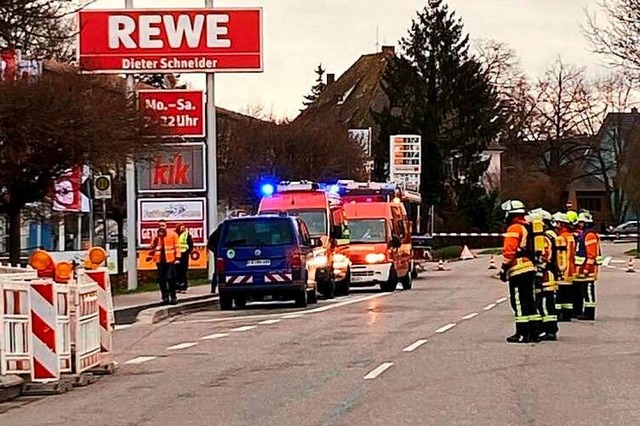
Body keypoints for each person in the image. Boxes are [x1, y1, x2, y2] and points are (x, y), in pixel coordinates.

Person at [500, 200, 538, 344]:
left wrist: (504, 268)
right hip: (529, 268)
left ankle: (522, 333)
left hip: (518, 269)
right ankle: (534, 332)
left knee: (519, 302)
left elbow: (509, 251)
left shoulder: (514, 228)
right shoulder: (528, 227)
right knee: (529, 301)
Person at [530, 208, 560, 341]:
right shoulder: (544, 237)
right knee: (542, 303)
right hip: (545, 275)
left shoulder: (544, 239)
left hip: (545, 276)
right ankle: (545, 328)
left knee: (544, 304)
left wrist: (538, 272)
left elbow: (545, 257)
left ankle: (550, 330)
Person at [574, 211, 601, 320]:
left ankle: (589, 313)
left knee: (589, 291)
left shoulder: (589, 235)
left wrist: (586, 269)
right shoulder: (584, 234)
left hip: (588, 270)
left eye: (581, 222)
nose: (579, 224)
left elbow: (592, 254)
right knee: (585, 291)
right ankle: (586, 311)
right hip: (583, 268)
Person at [149, 220, 181, 305]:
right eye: (159, 225)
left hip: (170, 260)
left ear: (166, 226)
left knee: (171, 279)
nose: (161, 227)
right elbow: (152, 246)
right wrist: (156, 239)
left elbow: (177, 247)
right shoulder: (156, 236)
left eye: (163, 225)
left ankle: (173, 297)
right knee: (161, 280)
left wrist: (177, 258)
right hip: (160, 261)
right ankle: (165, 297)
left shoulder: (173, 234)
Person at [553, 212, 577, 322]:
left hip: (563, 269)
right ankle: (568, 314)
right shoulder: (570, 236)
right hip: (571, 269)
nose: (555, 225)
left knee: (560, 294)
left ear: (562, 224)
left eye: (557, 223)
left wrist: (558, 269)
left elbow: (560, 256)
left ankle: (559, 314)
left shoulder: (561, 238)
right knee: (568, 295)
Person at [175, 223, 194, 294]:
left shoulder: (186, 234)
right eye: (181, 228)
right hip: (176, 255)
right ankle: (177, 287)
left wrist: (187, 252)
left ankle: (183, 287)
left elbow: (190, 245)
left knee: (183, 271)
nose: (183, 229)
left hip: (184, 255)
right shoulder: (175, 234)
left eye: (184, 228)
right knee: (176, 271)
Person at [207, 224, 222, 294]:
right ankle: (213, 288)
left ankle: (216, 288)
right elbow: (209, 244)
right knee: (217, 271)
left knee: (217, 271)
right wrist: (215, 251)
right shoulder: (217, 233)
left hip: (226, 253)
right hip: (218, 254)